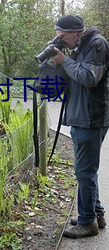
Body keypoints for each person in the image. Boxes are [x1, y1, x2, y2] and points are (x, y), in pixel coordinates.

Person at [51, 15, 109, 238]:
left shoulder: (97, 44)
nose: (62, 41)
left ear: (75, 32)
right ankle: (96, 214)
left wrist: (64, 60)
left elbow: (89, 77)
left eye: (63, 36)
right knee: (86, 171)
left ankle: (87, 223)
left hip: (91, 118)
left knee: (84, 171)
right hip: (81, 117)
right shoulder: (80, 46)